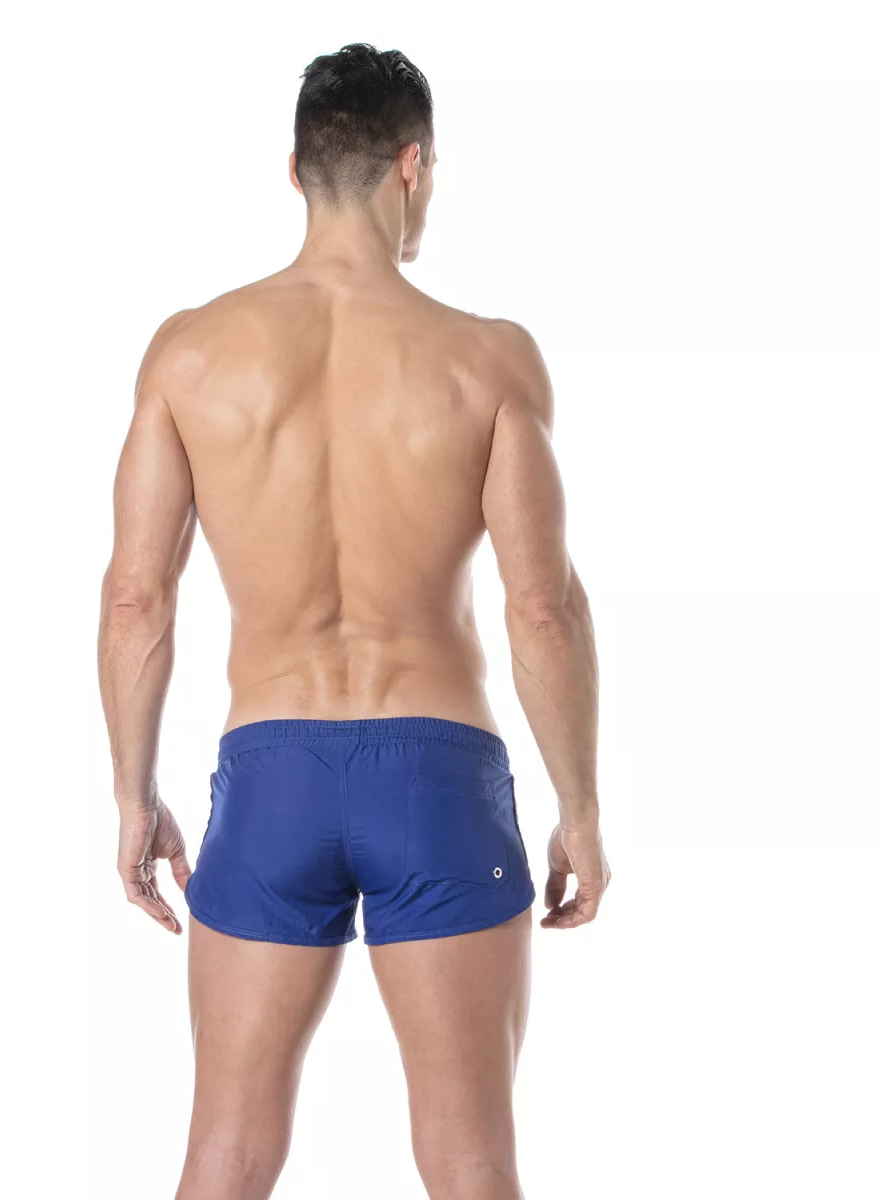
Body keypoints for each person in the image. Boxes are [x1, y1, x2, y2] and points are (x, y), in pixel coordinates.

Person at [97, 42, 610, 1200]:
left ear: (295, 171)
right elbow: (542, 605)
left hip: (269, 775)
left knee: (226, 1151)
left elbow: (137, 597)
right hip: (438, 775)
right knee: (471, 1159)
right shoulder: (488, 360)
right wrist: (579, 808)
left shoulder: (190, 354)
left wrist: (134, 795)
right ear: (413, 166)